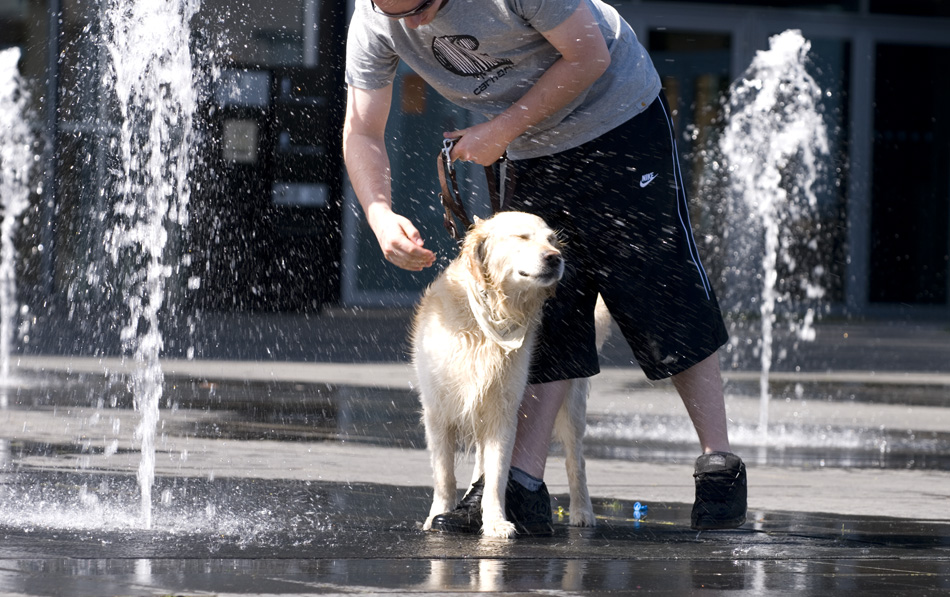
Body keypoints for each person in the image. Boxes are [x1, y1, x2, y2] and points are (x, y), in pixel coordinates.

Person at [342, 0, 747, 534]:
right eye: (391, 9)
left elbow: (589, 56)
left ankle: (718, 465)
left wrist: (500, 131)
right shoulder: (378, 18)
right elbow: (363, 130)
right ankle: (521, 484)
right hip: (529, 144)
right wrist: (378, 212)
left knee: (660, 291)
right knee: (539, 302)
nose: (411, 24)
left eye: (419, 7)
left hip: (617, 117)